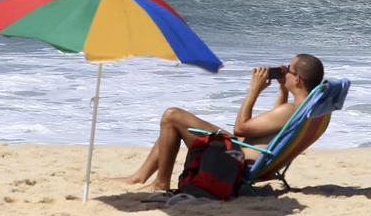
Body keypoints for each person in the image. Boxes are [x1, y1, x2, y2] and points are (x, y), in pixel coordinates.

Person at [110, 53, 325, 192]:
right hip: (244, 149)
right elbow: (273, 125)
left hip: (236, 157)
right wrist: (281, 89)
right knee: (175, 121)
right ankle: (139, 177)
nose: (284, 71)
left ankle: (160, 184)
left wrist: (253, 91)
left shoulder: (291, 110)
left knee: (172, 115)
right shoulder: (303, 110)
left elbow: (240, 128)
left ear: (297, 79)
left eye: (289, 69)